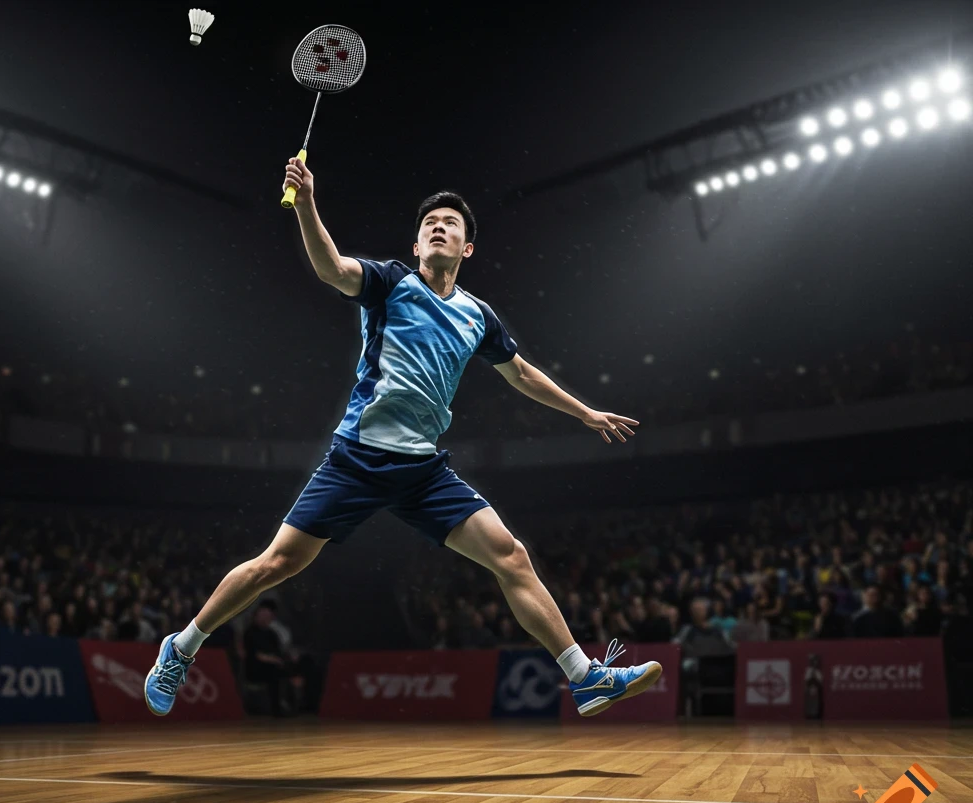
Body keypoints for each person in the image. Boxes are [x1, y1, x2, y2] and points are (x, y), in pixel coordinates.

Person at [145, 159, 659, 719]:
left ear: (466, 249)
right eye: (430, 223)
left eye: (451, 223)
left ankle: (584, 678)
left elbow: (520, 373)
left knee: (512, 557)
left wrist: (584, 412)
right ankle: (181, 648)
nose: (439, 226)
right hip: (357, 459)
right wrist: (307, 202)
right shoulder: (391, 283)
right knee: (276, 564)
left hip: (423, 471)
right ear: (416, 245)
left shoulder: (477, 316)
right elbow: (332, 269)